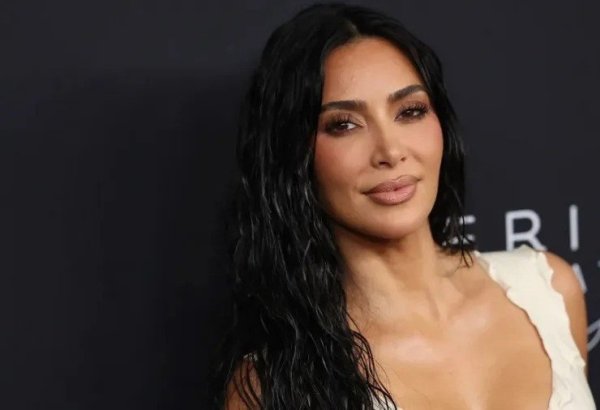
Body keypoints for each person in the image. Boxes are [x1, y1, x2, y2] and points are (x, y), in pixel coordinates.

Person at [208, 2, 596, 409]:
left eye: (410, 111)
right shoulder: (273, 385)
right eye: (344, 124)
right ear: (295, 156)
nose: (391, 152)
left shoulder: (549, 291)